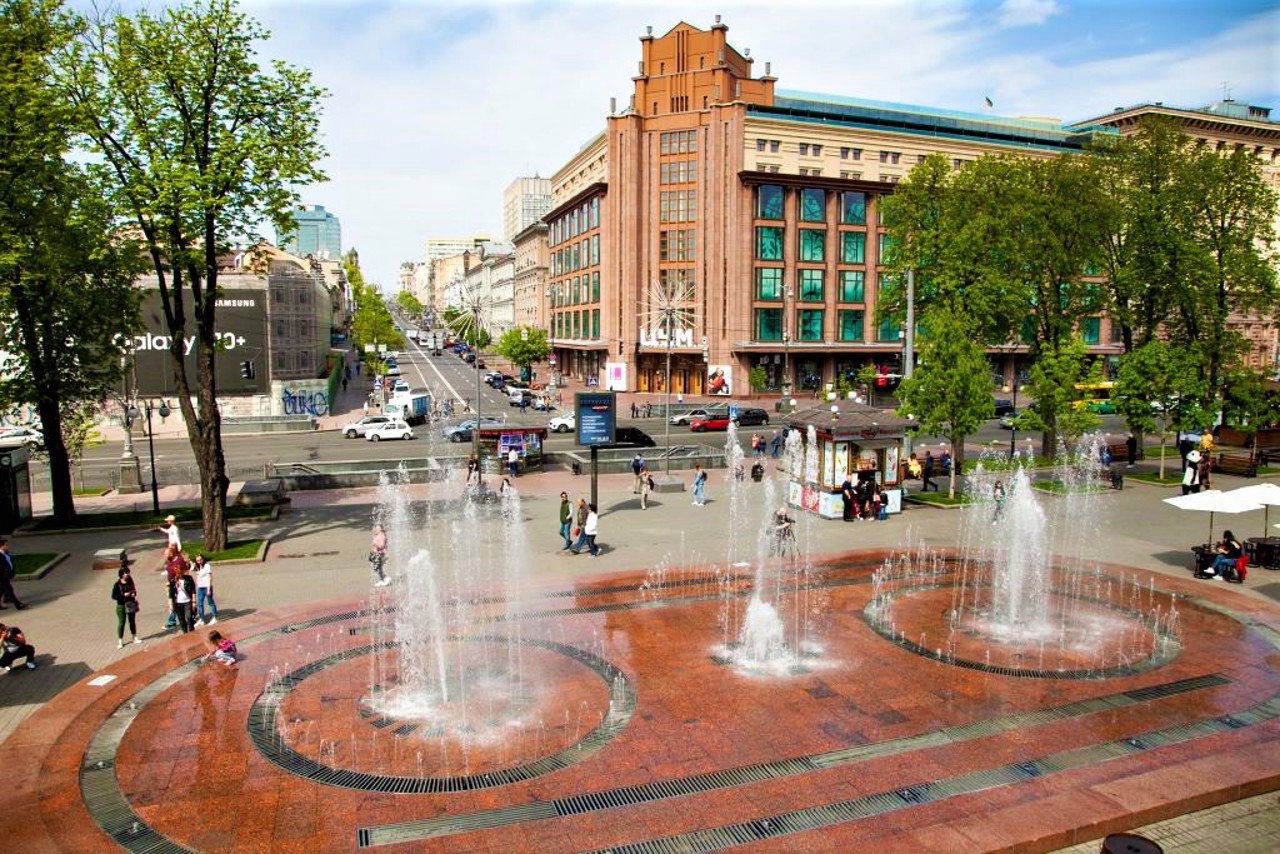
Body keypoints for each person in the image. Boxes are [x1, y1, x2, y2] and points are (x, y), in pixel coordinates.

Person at [111, 566, 142, 648]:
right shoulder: (117, 584)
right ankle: (120, 641)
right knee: (122, 622)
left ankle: (134, 637)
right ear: (121, 574)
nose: (128, 574)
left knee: (132, 621)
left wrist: (133, 594)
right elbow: (113, 596)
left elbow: (134, 590)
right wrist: (123, 595)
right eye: (126, 573)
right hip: (121, 606)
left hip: (130, 603)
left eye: (128, 573)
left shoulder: (130, 581)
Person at [160, 545, 188, 630]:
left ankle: (172, 621)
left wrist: (173, 583)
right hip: (171, 585)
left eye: (166, 554)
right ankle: (173, 620)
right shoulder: (171, 560)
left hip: (176, 586)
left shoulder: (178, 561)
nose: (164, 555)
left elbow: (182, 573)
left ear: (171, 554)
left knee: (173, 603)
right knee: (173, 604)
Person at [168, 560, 196, 634]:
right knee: (181, 619)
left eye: (181, 572)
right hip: (178, 603)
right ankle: (185, 633)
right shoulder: (173, 581)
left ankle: (192, 632)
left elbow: (193, 590)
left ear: (183, 571)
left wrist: (194, 602)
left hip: (187, 602)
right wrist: (170, 604)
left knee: (189, 617)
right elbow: (171, 594)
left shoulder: (189, 578)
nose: (179, 574)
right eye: (178, 573)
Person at [192, 554, 219, 627]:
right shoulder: (198, 567)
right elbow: (191, 569)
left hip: (207, 587)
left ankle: (215, 617)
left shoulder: (207, 566)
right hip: (200, 587)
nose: (199, 561)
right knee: (199, 603)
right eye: (197, 560)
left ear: (203, 559)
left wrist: (209, 589)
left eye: (200, 559)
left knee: (210, 602)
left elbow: (210, 577)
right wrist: (193, 564)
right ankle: (201, 619)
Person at [0, 538, 26, 610]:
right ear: (1, 546)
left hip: (6, 575)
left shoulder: (5, 552)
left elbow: (9, 563)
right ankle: (18, 605)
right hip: (2, 577)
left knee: (2, 590)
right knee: (9, 590)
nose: (7, 546)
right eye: (6, 545)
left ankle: (7, 600)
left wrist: (11, 572)